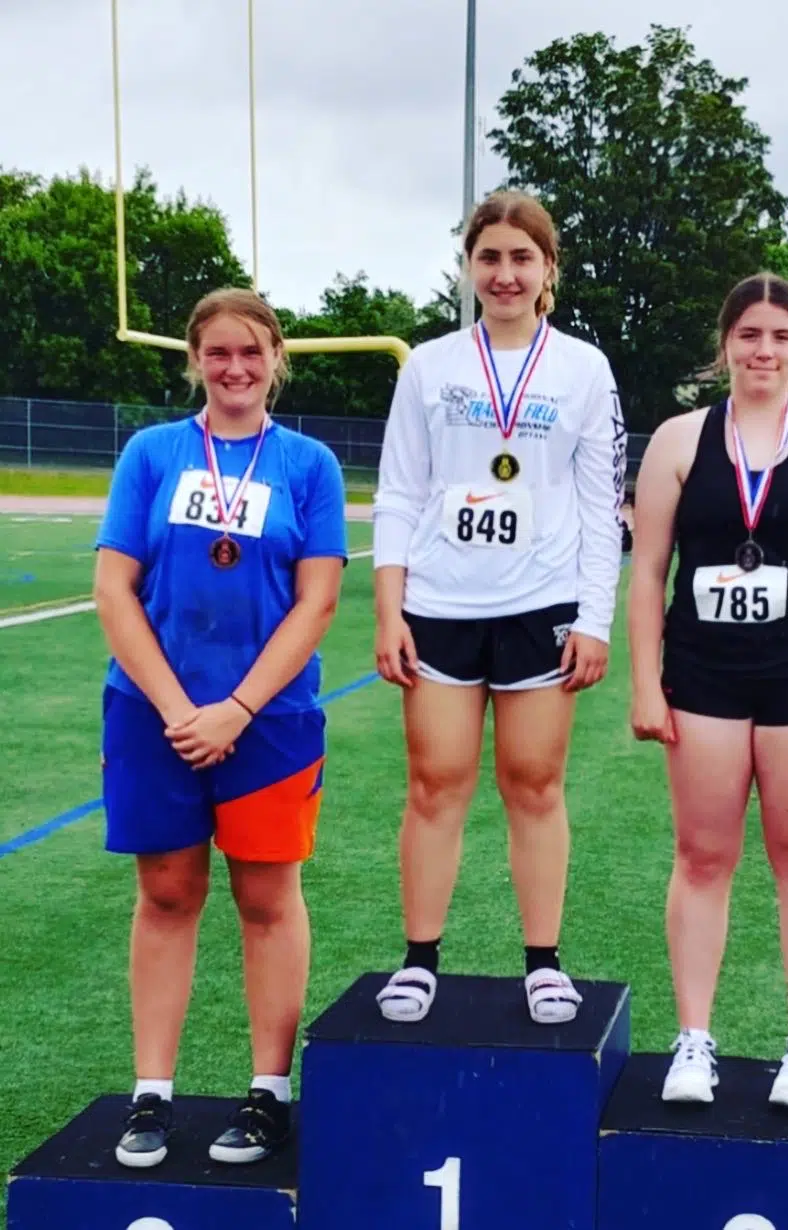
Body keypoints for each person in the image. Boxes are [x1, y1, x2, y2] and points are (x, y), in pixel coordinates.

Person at [93, 288, 348, 1169]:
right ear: (195, 360)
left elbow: (318, 600)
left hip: (269, 720)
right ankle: (152, 1095)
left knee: (268, 900)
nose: (234, 368)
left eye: (251, 352)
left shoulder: (309, 464)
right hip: (153, 713)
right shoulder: (152, 452)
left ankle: (268, 1093)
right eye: (217, 353)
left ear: (278, 357)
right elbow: (115, 588)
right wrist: (176, 709)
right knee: (165, 896)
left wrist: (236, 708)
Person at [627, 272, 788, 1111]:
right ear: (725, 345)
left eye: (780, 336)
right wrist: (644, 682)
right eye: (749, 335)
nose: (763, 350)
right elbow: (649, 574)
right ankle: (694, 1040)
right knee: (703, 856)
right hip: (703, 677)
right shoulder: (678, 440)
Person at [371, 190, 625, 1026]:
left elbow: (599, 505)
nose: (505, 274)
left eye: (522, 258)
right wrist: (389, 609)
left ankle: (544, 963)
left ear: (549, 269)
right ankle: (418, 959)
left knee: (535, 784)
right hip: (442, 604)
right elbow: (401, 491)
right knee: (436, 783)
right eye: (490, 258)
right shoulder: (431, 366)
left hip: (542, 604)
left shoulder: (583, 368)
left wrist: (595, 619)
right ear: (468, 267)